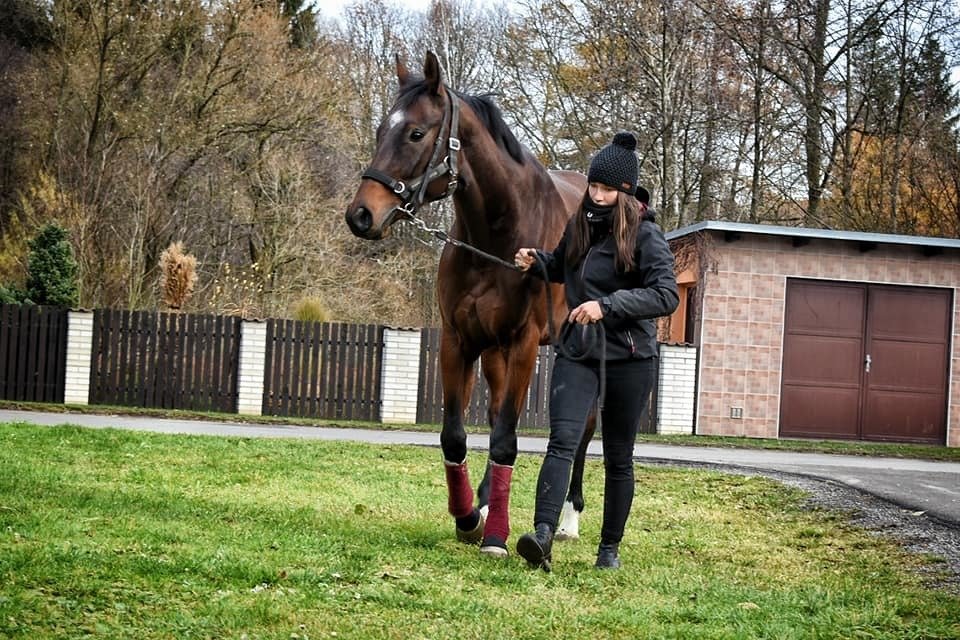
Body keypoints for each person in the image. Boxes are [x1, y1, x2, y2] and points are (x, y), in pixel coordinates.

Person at [513, 131, 679, 571]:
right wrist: (539, 263)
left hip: (629, 355)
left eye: (605, 189)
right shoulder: (580, 224)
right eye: (593, 186)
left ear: (624, 194)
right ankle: (542, 535)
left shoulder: (647, 235)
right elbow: (565, 264)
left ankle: (609, 550)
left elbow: (665, 296)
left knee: (618, 455)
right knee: (561, 441)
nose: (596, 195)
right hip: (580, 350)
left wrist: (606, 306)